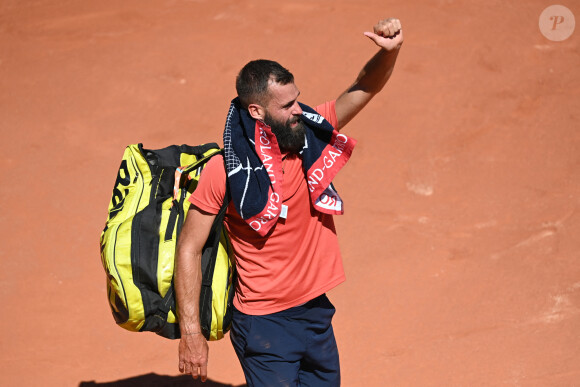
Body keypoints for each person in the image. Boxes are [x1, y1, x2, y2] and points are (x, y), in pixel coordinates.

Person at [176, 17, 403, 386]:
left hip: (315, 314)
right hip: (265, 325)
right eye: (287, 105)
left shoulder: (308, 131)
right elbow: (188, 246)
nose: (299, 109)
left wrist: (389, 53)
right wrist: (191, 333)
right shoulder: (225, 171)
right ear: (256, 112)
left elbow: (364, 87)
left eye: (297, 98)